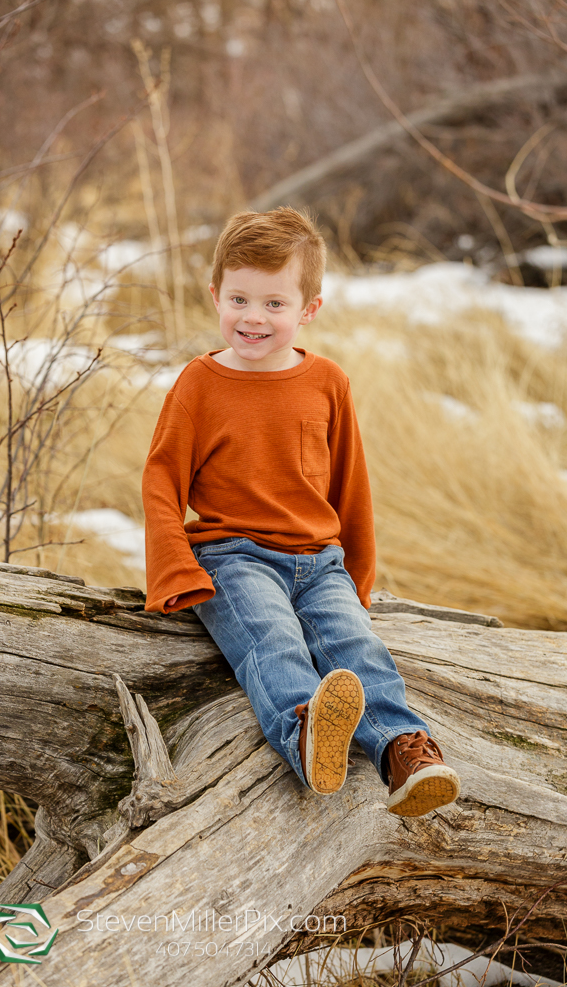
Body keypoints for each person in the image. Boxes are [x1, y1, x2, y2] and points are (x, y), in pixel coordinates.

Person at [142, 206, 460, 817]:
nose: (253, 318)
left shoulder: (327, 383)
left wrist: (357, 575)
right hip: (233, 557)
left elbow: (350, 483)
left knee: (358, 648)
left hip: (319, 560)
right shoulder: (198, 384)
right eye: (238, 299)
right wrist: (175, 570)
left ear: (309, 308)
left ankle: (403, 749)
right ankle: (306, 734)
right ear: (215, 296)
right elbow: (161, 480)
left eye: (273, 304)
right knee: (273, 639)